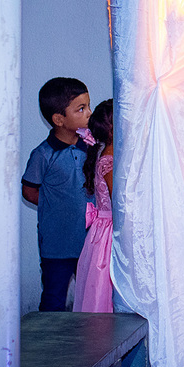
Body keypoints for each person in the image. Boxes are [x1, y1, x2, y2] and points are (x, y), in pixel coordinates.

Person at [22, 77, 93, 312]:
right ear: (59, 119)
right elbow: (29, 191)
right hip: (56, 244)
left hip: (89, 240)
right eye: (81, 109)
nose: (89, 113)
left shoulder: (91, 147)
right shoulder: (43, 154)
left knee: (91, 296)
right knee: (54, 298)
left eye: (88, 106)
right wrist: (56, 206)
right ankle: (47, 336)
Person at [75, 99, 115, 313]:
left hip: (101, 230)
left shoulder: (104, 153)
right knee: (107, 290)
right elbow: (119, 202)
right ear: (113, 130)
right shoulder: (109, 161)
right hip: (110, 233)